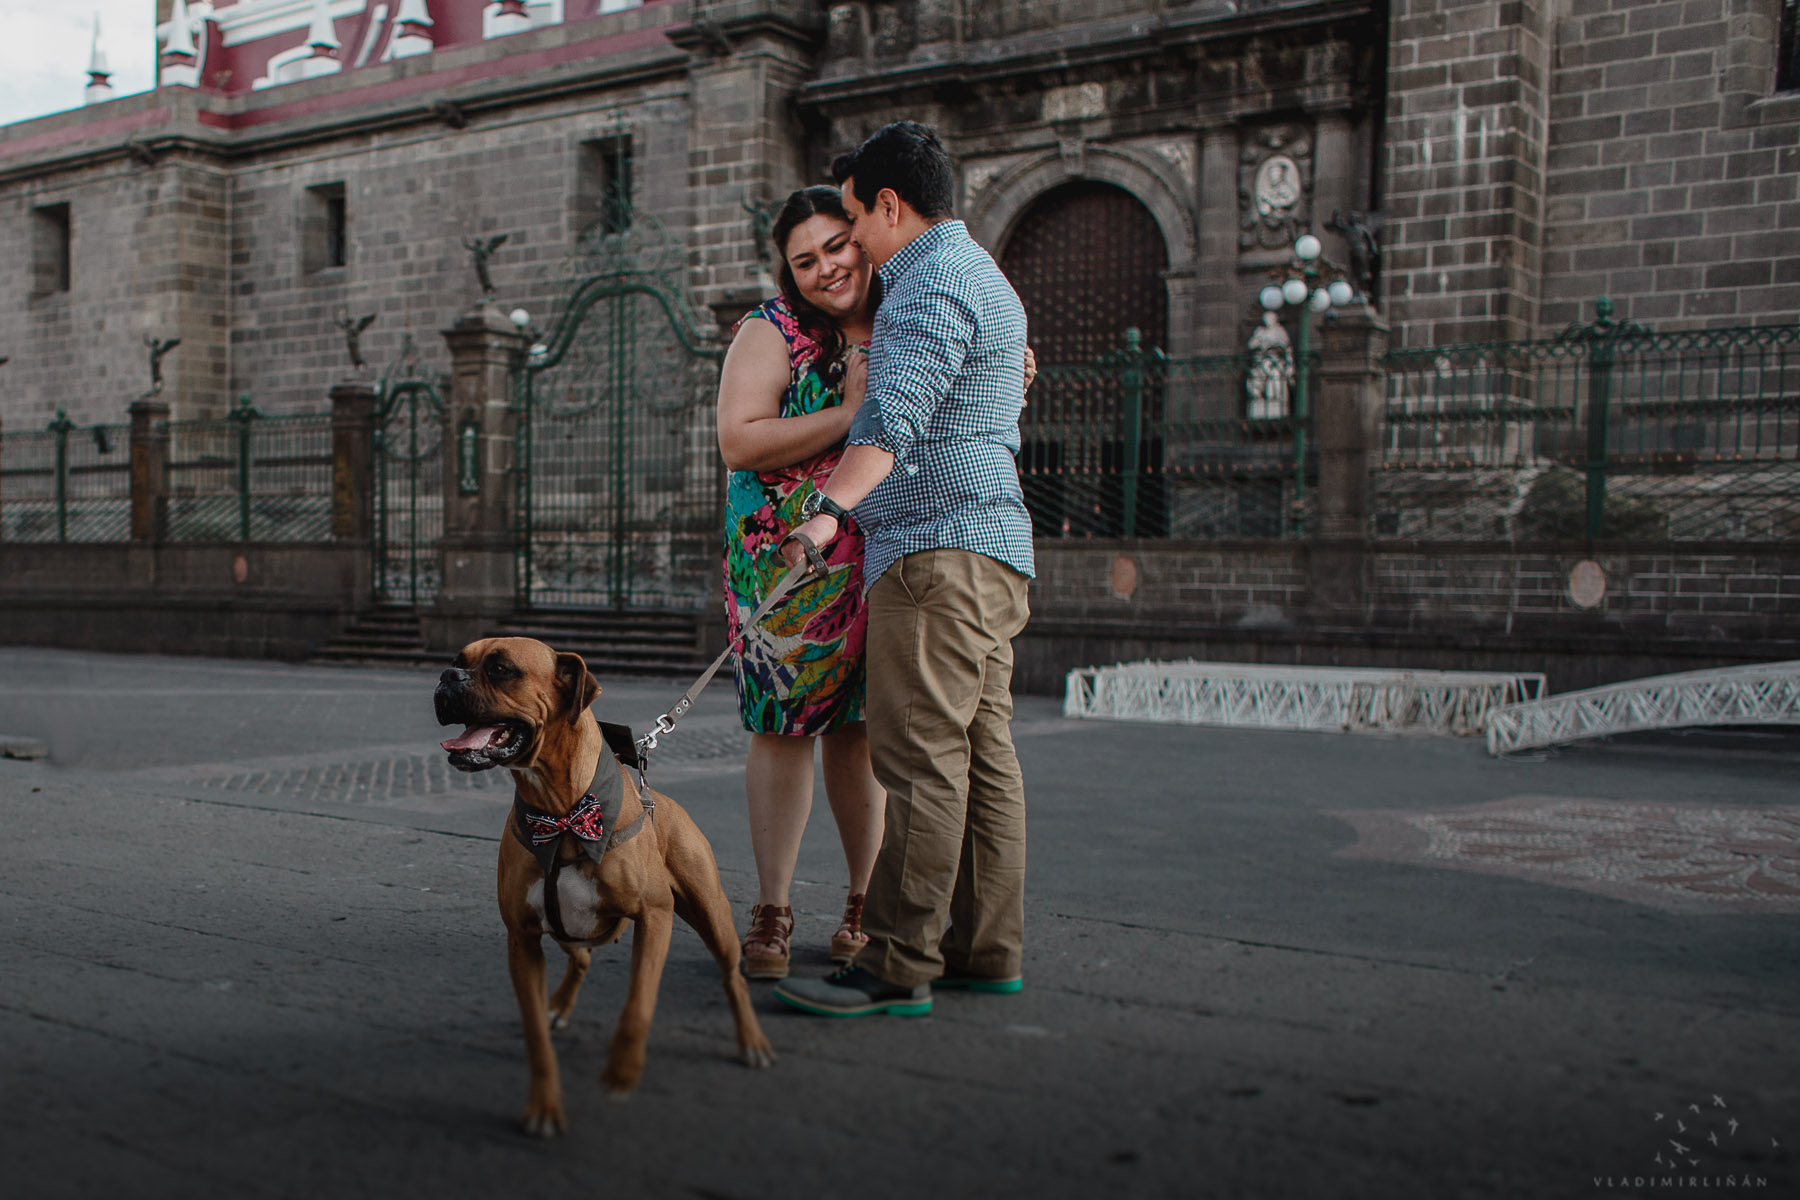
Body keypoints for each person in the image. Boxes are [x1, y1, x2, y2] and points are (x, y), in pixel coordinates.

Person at [771, 121, 1035, 1018]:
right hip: (996, 550)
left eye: (854, 220)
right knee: (981, 755)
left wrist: (823, 517)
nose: (854, 243)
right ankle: (982, 948)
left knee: (918, 759)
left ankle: (895, 962)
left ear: (891, 206)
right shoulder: (982, 274)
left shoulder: (925, 285)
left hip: (934, 551)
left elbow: (892, 423)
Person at [716, 186, 888, 981]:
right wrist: (848, 413)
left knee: (860, 731)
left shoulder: (907, 312)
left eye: (835, 247)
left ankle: (863, 902)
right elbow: (740, 439)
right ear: (788, 273)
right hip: (783, 556)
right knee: (782, 727)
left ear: (862, 237)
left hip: (882, 548)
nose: (827, 268)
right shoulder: (772, 329)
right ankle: (774, 907)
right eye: (805, 260)